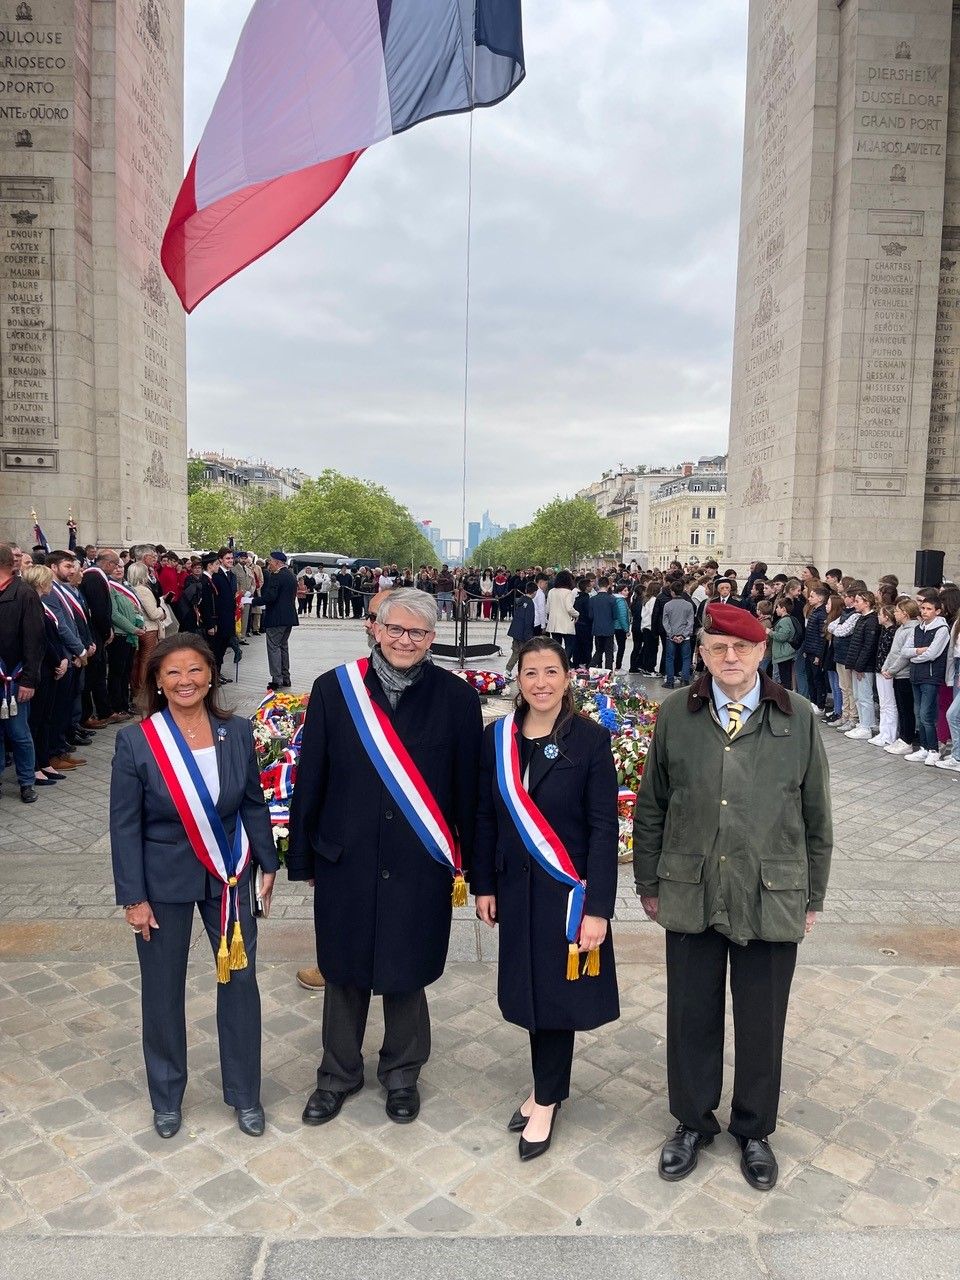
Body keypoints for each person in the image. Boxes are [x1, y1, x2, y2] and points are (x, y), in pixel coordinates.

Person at [633, 602, 832, 1192]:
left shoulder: (797, 716)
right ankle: (692, 1122)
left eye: (741, 648)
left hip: (771, 891)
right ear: (701, 651)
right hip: (691, 885)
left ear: (761, 652)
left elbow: (817, 814)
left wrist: (812, 894)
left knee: (762, 1018)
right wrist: (649, 883)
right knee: (691, 1013)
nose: (729, 658)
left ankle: (754, 1128)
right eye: (718, 646)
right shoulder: (677, 713)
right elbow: (652, 805)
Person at [286, 588, 482, 1126]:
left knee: (407, 968)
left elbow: (469, 791)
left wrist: (479, 867)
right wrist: (302, 857)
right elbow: (313, 777)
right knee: (344, 968)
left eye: (417, 633)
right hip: (345, 856)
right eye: (395, 629)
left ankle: (401, 1074)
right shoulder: (335, 689)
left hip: (420, 860)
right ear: (375, 628)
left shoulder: (457, 699)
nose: (404, 640)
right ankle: (337, 1074)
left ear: (432, 638)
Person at [109, 634, 278, 1140]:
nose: (186, 681)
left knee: (241, 984)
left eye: (195, 670)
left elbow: (251, 801)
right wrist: (133, 898)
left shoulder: (237, 731)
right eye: (174, 673)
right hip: (162, 883)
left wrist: (266, 863)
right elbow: (124, 826)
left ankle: (245, 1094)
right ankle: (167, 1097)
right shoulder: (137, 741)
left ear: (211, 674)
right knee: (162, 993)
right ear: (157, 681)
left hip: (228, 875)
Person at [474, 637, 619, 1160]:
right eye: (530, 672)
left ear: (566, 678)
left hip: (567, 895)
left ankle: (547, 1098)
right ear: (518, 679)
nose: (540, 683)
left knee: (557, 998)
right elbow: (485, 816)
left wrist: (599, 908)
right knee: (528, 991)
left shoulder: (590, 741)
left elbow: (605, 829)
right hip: (514, 890)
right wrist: (483, 884)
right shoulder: (498, 739)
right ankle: (545, 1085)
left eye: (550, 672)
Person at [0, 542, 44, 803]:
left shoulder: (24, 593)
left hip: (14, 678)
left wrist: (29, 679)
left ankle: (26, 781)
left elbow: (34, 640)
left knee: (18, 732)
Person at [903, 589, 950, 765]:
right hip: (916, 675)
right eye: (922, 608)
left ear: (937, 611)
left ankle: (933, 749)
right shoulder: (918, 628)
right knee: (918, 713)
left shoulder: (941, 629)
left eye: (929, 609)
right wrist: (916, 652)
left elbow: (932, 654)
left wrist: (914, 656)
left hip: (931, 676)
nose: (924, 611)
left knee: (927, 715)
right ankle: (923, 747)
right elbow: (904, 650)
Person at [259, 551, 298, 691]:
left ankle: (277, 679)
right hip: (289, 617)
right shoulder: (291, 575)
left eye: (270, 561)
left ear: (277, 562)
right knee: (283, 646)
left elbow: (270, 597)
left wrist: (252, 600)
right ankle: (286, 677)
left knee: (274, 647)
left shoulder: (276, 576)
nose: (269, 563)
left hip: (276, 617)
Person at [843, 589, 879, 740]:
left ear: (867, 603)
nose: (855, 604)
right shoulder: (861, 619)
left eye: (858, 601)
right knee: (858, 695)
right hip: (857, 663)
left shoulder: (871, 621)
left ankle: (867, 725)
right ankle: (865, 722)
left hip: (865, 666)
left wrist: (860, 666)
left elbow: (868, 646)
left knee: (865, 696)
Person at [661, 579, 694, 688]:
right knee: (686, 658)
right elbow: (690, 622)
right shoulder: (689, 605)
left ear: (672, 592)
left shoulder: (667, 605)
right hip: (685, 637)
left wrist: (672, 634)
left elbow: (665, 622)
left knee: (670, 658)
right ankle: (685, 680)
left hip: (671, 636)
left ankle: (670, 681)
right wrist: (684, 635)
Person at [506, 581, 537, 677]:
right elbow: (528, 621)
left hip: (516, 631)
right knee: (525, 653)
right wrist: (529, 636)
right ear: (534, 592)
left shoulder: (521, 600)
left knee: (516, 652)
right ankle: (524, 672)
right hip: (524, 633)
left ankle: (508, 669)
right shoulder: (530, 603)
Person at [546, 570, 578, 661]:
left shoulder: (551, 591)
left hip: (554, 624)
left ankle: (557, 662)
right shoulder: (568, 592)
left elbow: (547, 608)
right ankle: (565, 662)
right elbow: (569, 608)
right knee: (570, 645)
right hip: (566, 623)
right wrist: (577, 614)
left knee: (556, 646)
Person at [590, 577, 617, 668]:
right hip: (608, 629)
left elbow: (590, 615)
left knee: (599, 650)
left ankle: (593, 666)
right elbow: (615, 615)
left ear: (598, 585)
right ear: (608, 585)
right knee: (609, 652)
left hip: (597, 628)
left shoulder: (593, 599)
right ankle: (608, 672)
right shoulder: (612, 599)